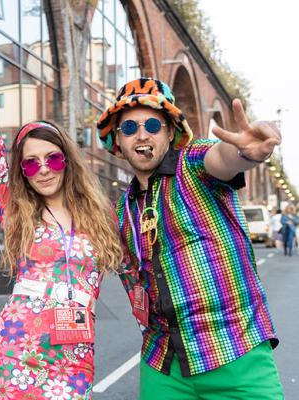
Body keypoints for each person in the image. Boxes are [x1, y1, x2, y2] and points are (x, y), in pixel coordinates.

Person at [96, 78, 283, 399]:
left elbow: (222, 159)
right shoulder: (122, 209)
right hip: (163, 365)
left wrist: (244, 151)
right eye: (129, 128)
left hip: (234, 353)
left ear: (170, 132)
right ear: (117, 140)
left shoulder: (192, 164)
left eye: (153, 124)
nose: (142, 134)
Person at [0, 120, 123, 399]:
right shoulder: (15, 210)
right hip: (14, 351)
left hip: (75, 355)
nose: (43, 169)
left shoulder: (103, 216)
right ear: (22, 172)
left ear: (67, 160)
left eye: (52, 158)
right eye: (30, 163)